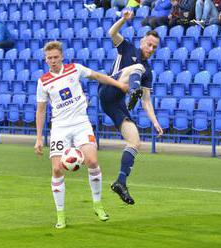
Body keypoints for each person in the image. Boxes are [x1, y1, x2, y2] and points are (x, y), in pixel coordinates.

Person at [34, 41, 129, 228]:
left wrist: (118, 84)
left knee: (92, 161)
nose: (52, 61)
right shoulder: (43, 82)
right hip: (60, 128)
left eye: (55, 57)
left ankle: (97, 204)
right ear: (46, 60)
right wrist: (38, 138)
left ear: (62, 56)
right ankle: (60, 215)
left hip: (81, 124)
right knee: (57, 169)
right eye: (49, 58)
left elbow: (98, 76)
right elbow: (41, 110)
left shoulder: (75, 69)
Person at [98, 10, 164, 205]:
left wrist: (155, 122)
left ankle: (120, 182)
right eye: (149, 44)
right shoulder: (128, 49)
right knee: (137, 68)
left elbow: (146, 101)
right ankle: (132, 90)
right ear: (142, 41)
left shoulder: (149, 71)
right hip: (109, 88)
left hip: (117, 103)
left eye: (154, 47)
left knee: (135, 141)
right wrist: (123, 19)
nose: (151, 48)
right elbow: (111, 32)